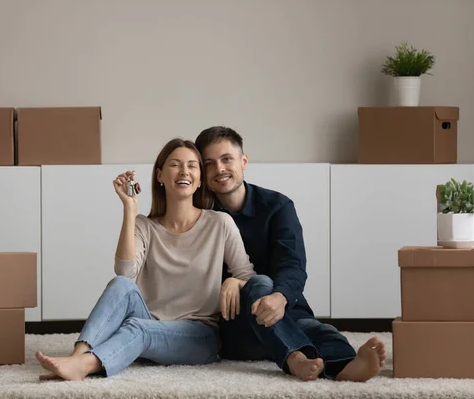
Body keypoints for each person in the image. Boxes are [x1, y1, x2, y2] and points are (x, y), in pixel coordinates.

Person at [35, 138, 257, 381]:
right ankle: (77, 357)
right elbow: (125, 272)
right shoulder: (145, 225)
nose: (184, 171)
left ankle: (85, 365)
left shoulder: (220, 223)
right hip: (148, 324)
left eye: (193, 166)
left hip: (198, 336)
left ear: (200, 179)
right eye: (175, 164)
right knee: (121, 285)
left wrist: (235, 281)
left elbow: (248, 276)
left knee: (139, 329)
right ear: (160, 175)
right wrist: (130, 209)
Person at [194, 126, 386, 382]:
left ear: (243, 161)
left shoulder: (277, 206)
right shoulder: (199, 213)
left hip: (282, 309)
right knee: (260, 283)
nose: (219, 169)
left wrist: (280, 297)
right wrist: (240, 282)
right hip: (233, 324)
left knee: (320, 330)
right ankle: (294, 358)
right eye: (209, 163)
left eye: (227, 159)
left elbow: (293, 264)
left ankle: (346, 367)